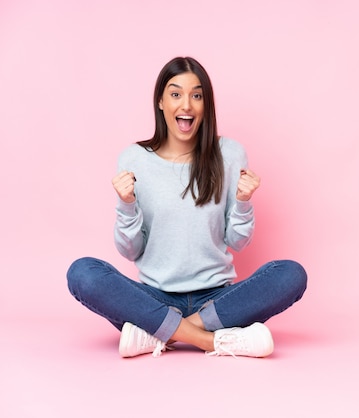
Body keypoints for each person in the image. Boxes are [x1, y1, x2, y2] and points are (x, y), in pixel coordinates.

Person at [66, 57, 307, 359]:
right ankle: (214, 341)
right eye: (176, 94)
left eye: (197, 95)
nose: (187, 105)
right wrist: (126, 205)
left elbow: (238, 242)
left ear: (206, 105)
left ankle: (159, 333)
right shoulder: (134, 158)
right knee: (83, 273)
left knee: (290, 275)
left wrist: (244, 203)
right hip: (153, 296)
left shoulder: (230, 154)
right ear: (161, 102)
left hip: (217, 299)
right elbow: (130, 251)